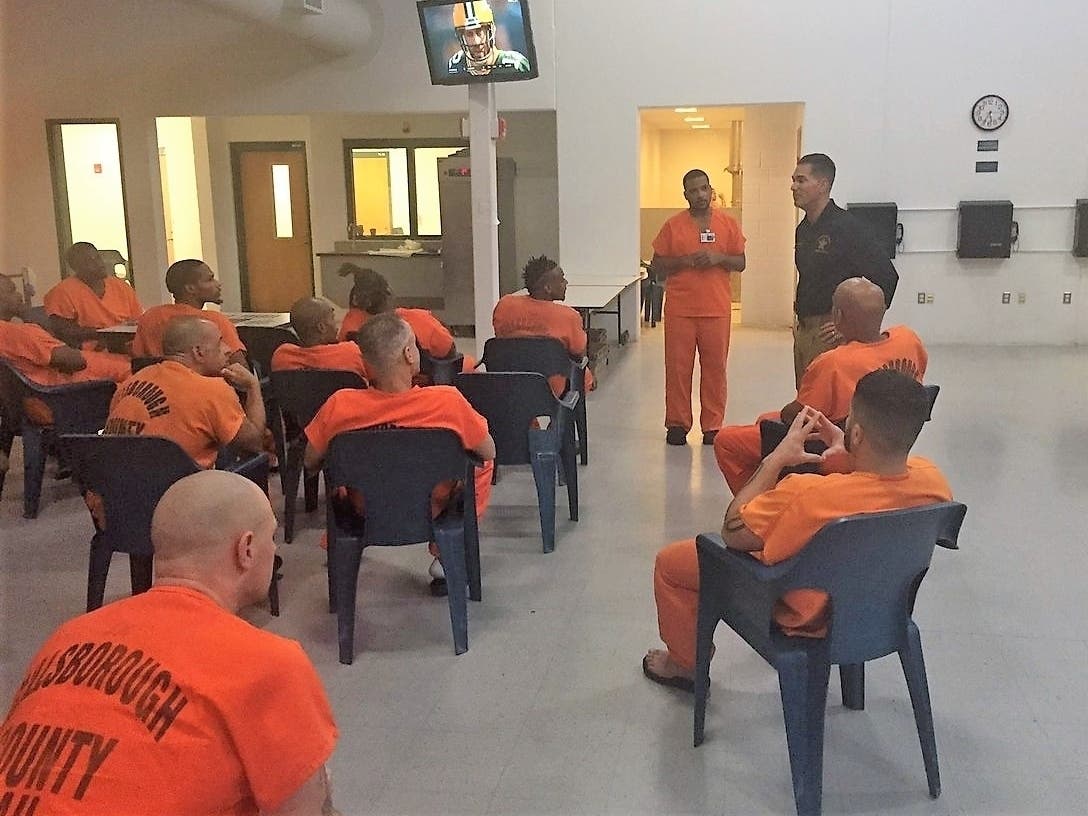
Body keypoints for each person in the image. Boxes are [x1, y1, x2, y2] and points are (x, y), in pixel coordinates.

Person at [0, 470, 340, 815]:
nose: (275, 549)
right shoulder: (268, 663)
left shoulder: (67, 637)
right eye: (272, 538)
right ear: (246, 549)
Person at [642, 370, 952, 691]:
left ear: (857, 434)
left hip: (805, 614)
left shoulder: (806, 495)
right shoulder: (934, 483)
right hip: (879, 608)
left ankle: (685, 665)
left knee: (670, 565)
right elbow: (879, 486)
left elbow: (733, 531)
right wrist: (849, 452)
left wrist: (775, 460)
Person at [304, 312, 495, 595]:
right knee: (481, 464)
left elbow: (310, 461)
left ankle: (337, 542)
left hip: (364, 510)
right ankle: (444, 552)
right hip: (433, 508)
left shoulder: (339, 405)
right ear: (408, 354)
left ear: (366, 361)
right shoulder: (447, 402)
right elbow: (488, 450)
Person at [713, 277, 927, 493]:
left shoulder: (832, 363)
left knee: (726, 441)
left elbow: (796, 414)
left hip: (834, 446)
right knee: (764, 419)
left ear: (837, 316)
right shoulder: (909, 340)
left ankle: (756, 503)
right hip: (887, 432)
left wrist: (845, 345)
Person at [651, 169, 746, 446]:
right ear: (686, 195)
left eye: (704, 188)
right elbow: (657, 264)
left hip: (716, 309)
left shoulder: (728, 224)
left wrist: (718, 257)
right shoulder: (673, 226)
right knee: (678, 369)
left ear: (711, 190)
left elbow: (741, 262)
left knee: (715, 369)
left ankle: (713, 426)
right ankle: (677, 423)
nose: (700, 195)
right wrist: (684, 261)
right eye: (693, 191)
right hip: (680, 310)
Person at [792, 153, 899, 385]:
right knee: (807, 396)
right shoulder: (804, 229)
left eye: (801, 180)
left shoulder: (847, 227)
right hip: (804, 329)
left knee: (830, 398)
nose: (793, 187)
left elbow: (887, 276)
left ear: (823, 185)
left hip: (830, 333)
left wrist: (857, 324)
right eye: (794, 180)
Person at [104, 316, 266, 469]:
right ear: (198, 352)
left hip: (113, 485)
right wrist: (253, 387)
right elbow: (254, 443)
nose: (228, 350)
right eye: (220, 343)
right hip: (176, 486)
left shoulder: (129, 384)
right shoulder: (210, 390)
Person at [337, 263, 475, 379]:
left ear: (356, 300)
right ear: (389, 294)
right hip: (422, 387)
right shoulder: (419, 319)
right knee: (468, 363)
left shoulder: (349, 329)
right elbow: (448, 351)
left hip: (371, 389)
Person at [492, 254, 595, 395]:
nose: (566, 282)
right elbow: (578, 354)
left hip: (508, 383)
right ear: (548, 288)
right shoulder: (569, 316)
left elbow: (501, 338)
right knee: (584, 372)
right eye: (562, 279)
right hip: (551, 390)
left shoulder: (505, 305)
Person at [132, 259, 247, 365]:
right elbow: (240, 367)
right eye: (210, 280)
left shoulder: (151, 316)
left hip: (160, 378)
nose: (218, 284)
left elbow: (138, 361)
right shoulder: (214, 321)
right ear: (190, 288)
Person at [43, 242, 143, 351]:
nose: (99, 263)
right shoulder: (62, 292)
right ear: (76, 267)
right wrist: (102, 334)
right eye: (89, 261)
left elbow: (139, 322)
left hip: (129, 346)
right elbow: (64, 333)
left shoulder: (121, 287)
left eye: (98, 257)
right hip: (91, 351)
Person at [270, 296, 368, 380]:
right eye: (332, 318)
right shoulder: (351, 353)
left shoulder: (282, 356)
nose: (336, 324)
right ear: (322, 327)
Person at [447, 1, 531, 77]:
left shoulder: (515, 64)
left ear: (491, 31)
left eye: (479, 32)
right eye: (469, 34)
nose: (476, 41)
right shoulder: (456, 65)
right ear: (461, 37)